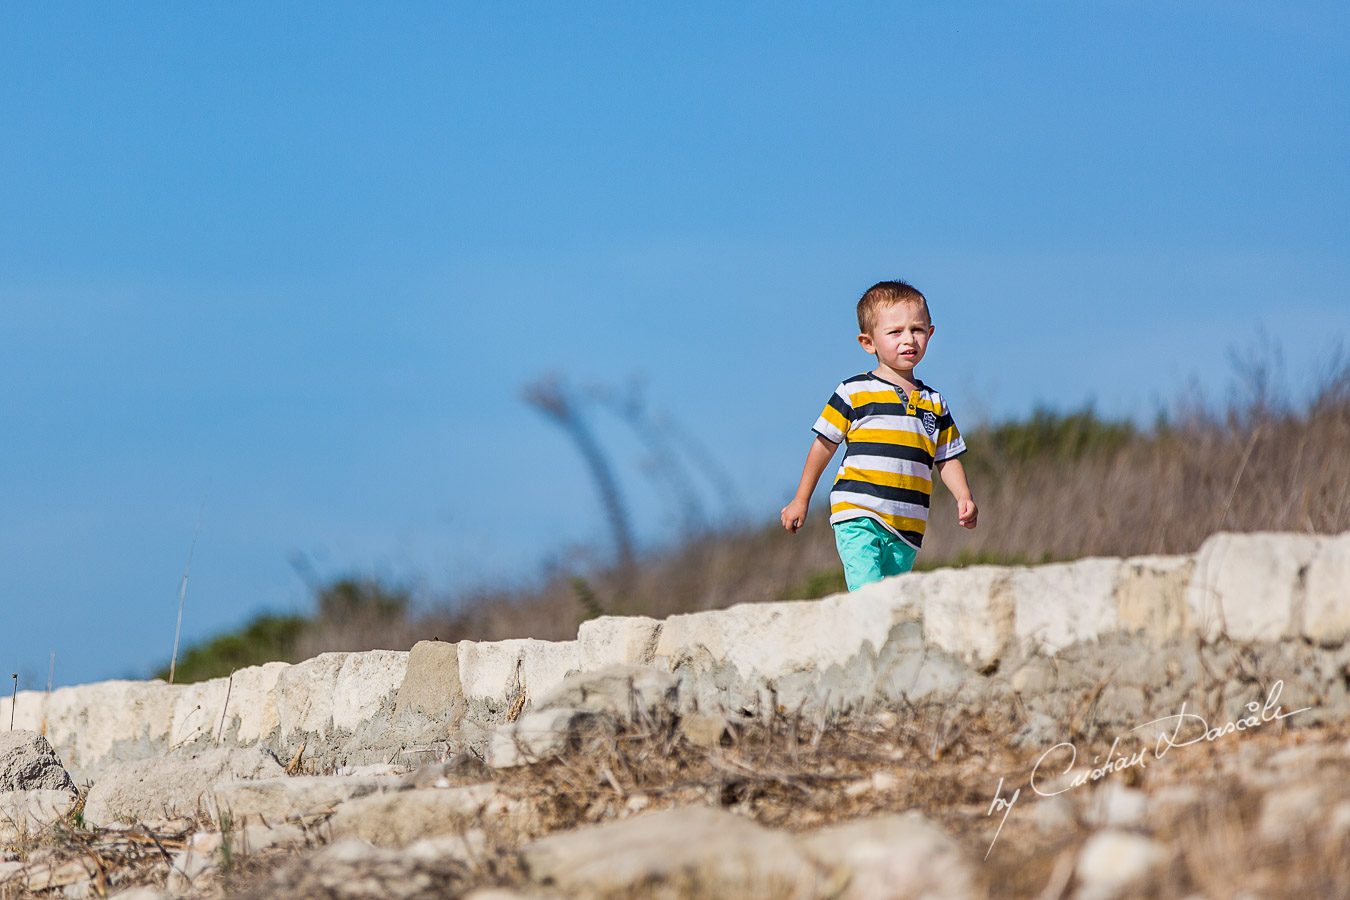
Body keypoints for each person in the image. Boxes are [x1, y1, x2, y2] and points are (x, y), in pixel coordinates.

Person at [780, 280, 978, 590]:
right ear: (868, 342)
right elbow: (823, 446)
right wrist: (800, 500)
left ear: (930, 333)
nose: (908, 339)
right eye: (895, 332)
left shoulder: (935, 403)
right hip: (858, 510)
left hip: (908, 524)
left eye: (917, 329)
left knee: (894, 602)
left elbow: (947, 458)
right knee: (867, 591)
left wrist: (963, 496)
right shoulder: (854, 392)